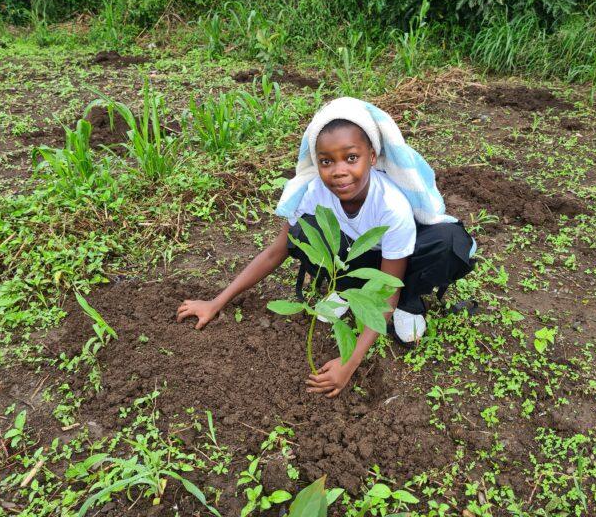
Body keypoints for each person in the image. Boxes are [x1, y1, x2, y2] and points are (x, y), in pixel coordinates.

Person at [177, 98, 476, 397]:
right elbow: (275, 251)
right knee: (301, 231)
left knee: (449, 243)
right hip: (356, 259)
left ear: (372, 156)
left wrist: (350, 362)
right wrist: (217, 302)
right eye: (326, 161)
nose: (339, 171)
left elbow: (389, 289)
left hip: (397, 267)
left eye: (351, 157)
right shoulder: (317, 192)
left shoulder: (391, 206)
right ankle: (345, 288)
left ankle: (412, 301)